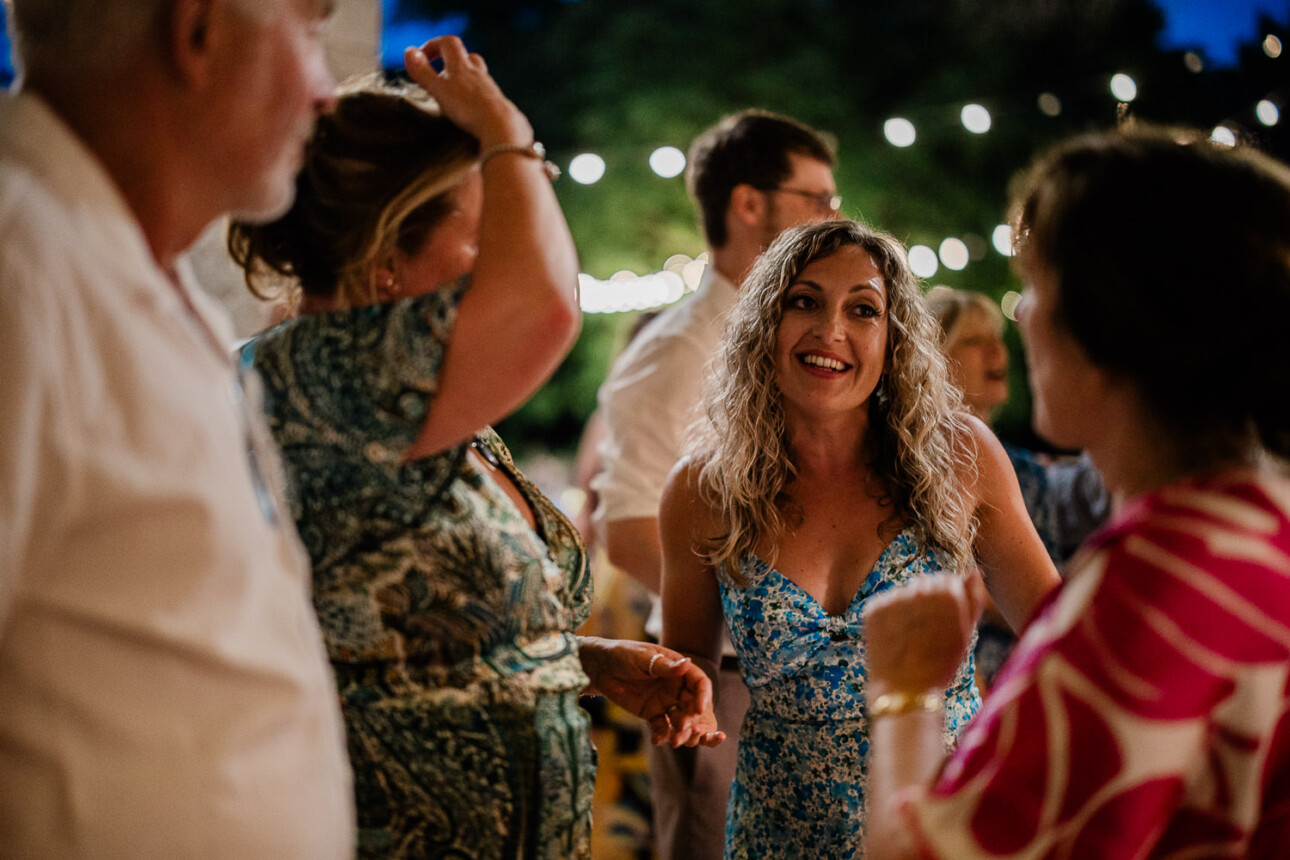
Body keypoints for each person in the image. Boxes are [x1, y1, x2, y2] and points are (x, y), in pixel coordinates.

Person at [228, 39, 717, 860]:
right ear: (389, 263)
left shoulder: (432, 405)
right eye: (480, 234)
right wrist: (503, 129)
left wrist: (582, 662)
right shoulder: (318, 380)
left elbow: (400, 631)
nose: (500, 267)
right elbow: (545, 309)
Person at [862, 125, 1290, 859]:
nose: (1021, 315)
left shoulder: (1154, 586)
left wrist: (905, 690)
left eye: (1036, 284)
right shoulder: (1262, 525)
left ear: (1112, 326)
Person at [0, 1, 354, 856]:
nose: (326, 92)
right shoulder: (19, 269)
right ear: (196, 34)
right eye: (306, 34)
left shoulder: (132, 265)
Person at [661, 220, 1061, 859]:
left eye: (863, 310)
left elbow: (1057, 639)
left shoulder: (960, 456)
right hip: (780, 829)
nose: (831, 332)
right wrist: (679, 693)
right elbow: (689, 661)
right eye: (804, 301)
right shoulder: (703, 488)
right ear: (764, 323)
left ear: (894, 338)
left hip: (940, 817)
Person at [593, 108, 842, 860]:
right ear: (748, 204)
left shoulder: (803, 344)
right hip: (721, 679)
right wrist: (767, 609)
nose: (835, 218)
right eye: (818, 200)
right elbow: (629, 527)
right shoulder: (677, 351)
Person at [926, 286, 1110, 684]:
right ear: (932, 358)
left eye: (998, 339)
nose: (999, 353)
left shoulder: (1027, 471)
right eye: (974, 341)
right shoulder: (912, 467)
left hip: (1025, 671)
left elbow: (1047, 606)